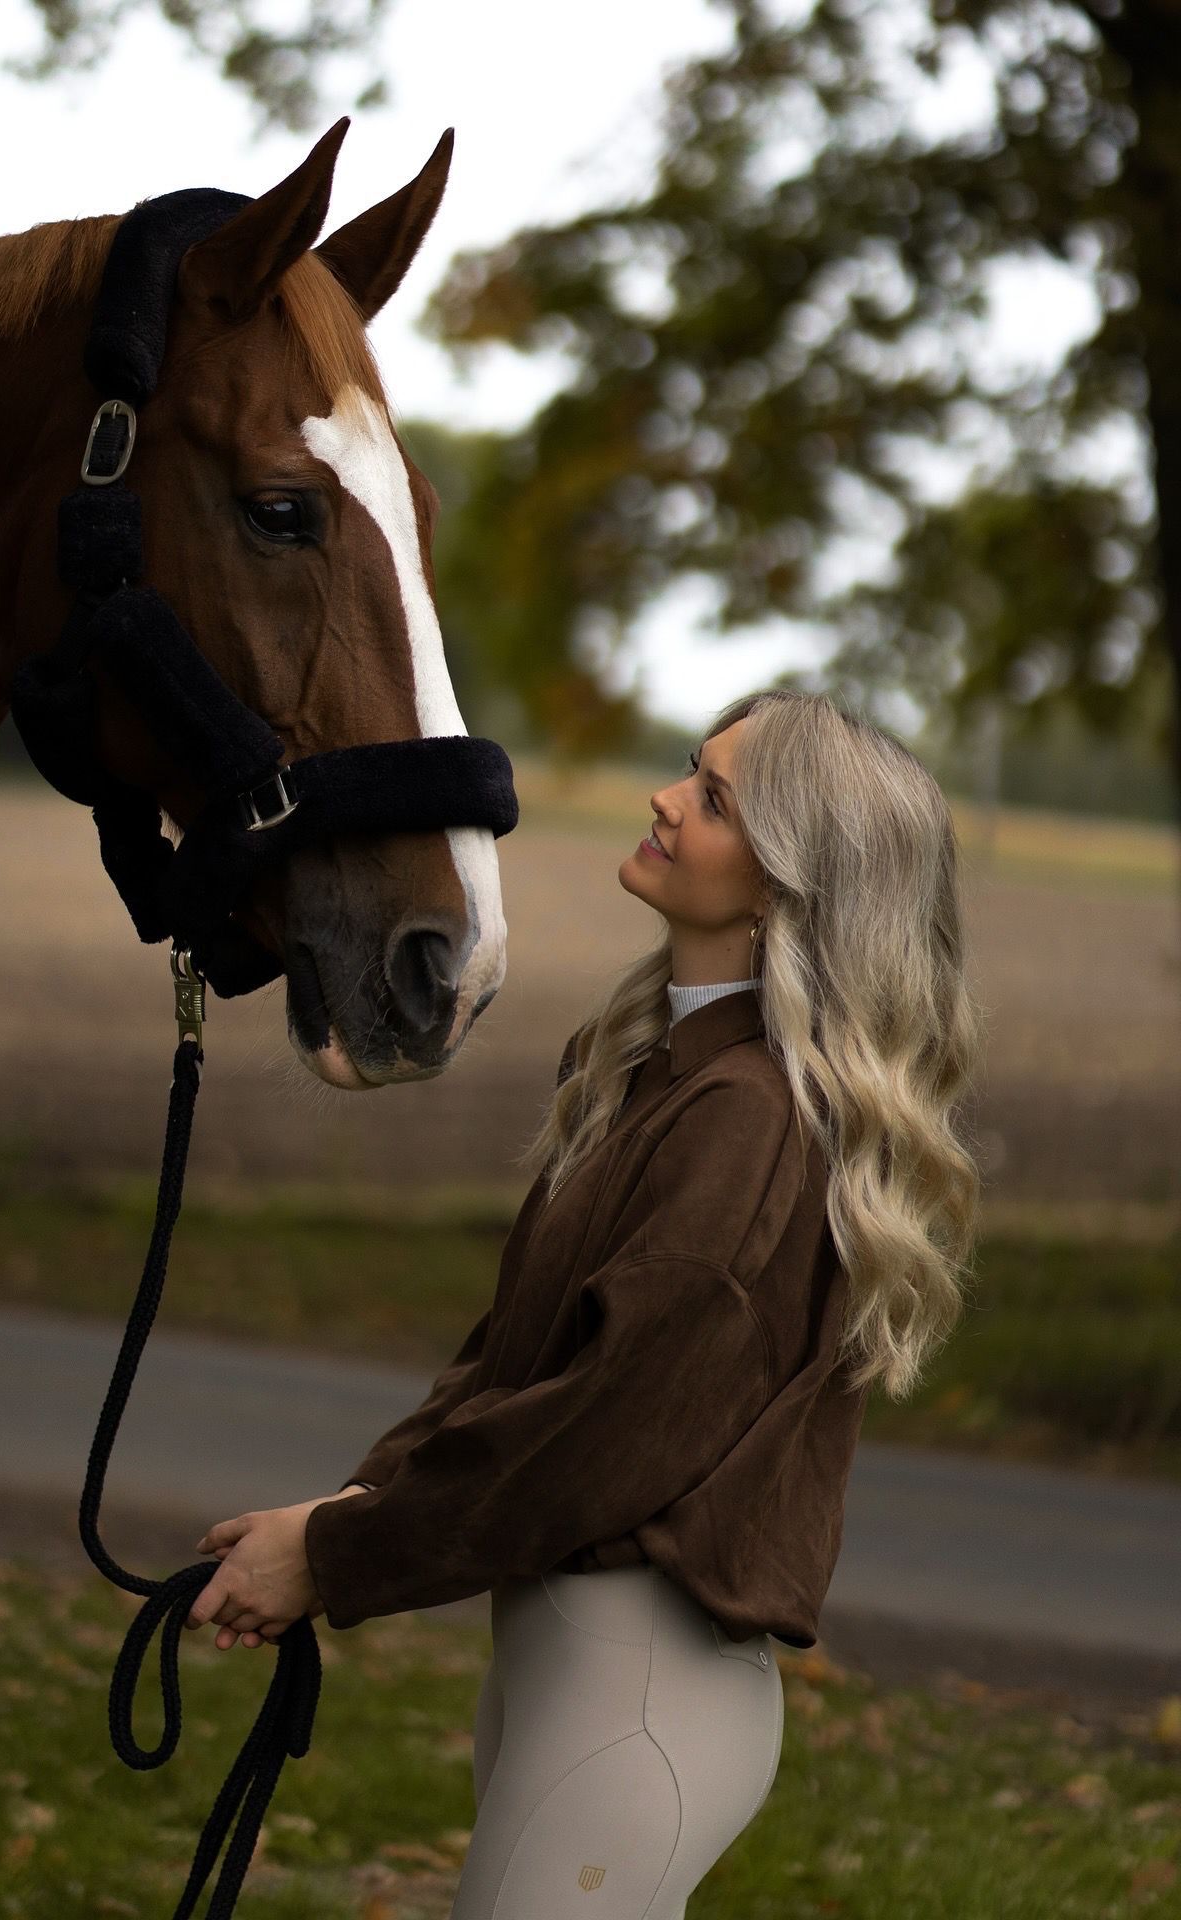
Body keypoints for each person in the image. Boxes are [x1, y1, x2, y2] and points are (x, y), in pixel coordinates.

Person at [186, 687, 984, 1914]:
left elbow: (601, 1429)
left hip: (640, 1693)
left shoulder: (751, 1121)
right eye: (690, 771)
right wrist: (351, 1506)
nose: (665, 798)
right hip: (578, 1674)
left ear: (786, 882)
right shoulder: (653, 1076)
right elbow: (513, 1363)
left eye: (713, 799)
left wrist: (337, 1554)